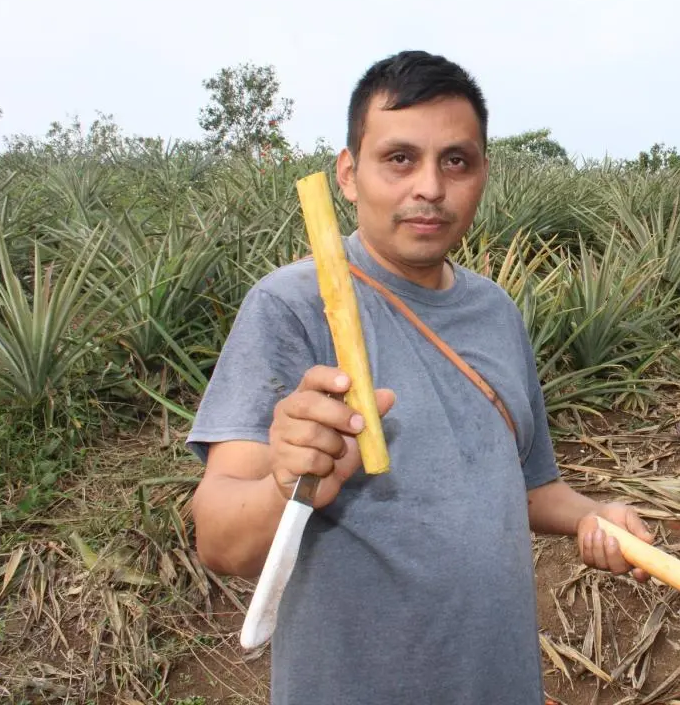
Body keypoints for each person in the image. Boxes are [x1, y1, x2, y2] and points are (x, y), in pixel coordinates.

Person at [186, 50, 655, 704]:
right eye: (399, 159)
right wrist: (289, 483)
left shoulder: (495, 311)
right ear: (348, 174)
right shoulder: (292, 306)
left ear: (483, 174)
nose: (430, 188)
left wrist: (592, 517)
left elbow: (521, 489)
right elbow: (220, 539)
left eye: (455, 161)